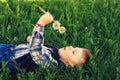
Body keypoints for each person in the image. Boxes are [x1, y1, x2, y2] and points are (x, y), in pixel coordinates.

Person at [0, 12, 90, 75]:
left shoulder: (51, 64)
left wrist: (41, 24)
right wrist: (31, 40)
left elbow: (36, 50)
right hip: (10, 49)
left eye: (73, 52)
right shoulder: (53, 51)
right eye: (74, 47)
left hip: (8, 61)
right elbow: (39, 46)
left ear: (68, 65)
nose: (70, 47)